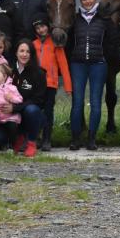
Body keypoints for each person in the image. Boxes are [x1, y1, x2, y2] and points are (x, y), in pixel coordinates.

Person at [68, 0, 119, 150]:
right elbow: (68, 42)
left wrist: (104, 56)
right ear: (80, 1)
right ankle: (76, 139)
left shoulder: (104, 19)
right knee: (77, 103)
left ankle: (91, 139)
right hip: (78, 64)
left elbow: (113, 40)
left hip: (98, 64)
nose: (88, 1)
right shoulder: (74, 19)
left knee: (96, 102)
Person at [33, 16, 73, 151]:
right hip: (36, 85)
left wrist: (68, 87)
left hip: (50, 83)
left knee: (48, 112)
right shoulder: (33, 45)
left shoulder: (56, 44)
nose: (41, 30)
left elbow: (64, 66)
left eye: (43, 26)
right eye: (38, 28)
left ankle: (47, 139)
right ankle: (35, 138)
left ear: (48, 27)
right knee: (36, 111)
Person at [11, 40, 46, 152]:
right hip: (11, 112)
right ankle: (18, 138)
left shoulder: (39, 73)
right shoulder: (8, 70)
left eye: (28, 51)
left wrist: (16, 108)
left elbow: (39, 100)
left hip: (29, 112)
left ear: (32, 54)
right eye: (21, 51)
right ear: (16, 53)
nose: (24, 54)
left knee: (31, 110)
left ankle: (31, 142)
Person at [0, 63, 26, 154]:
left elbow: (20, 100)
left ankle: (12, 146)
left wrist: (11, 98)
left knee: (12, 127)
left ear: (4, 76)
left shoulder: (11, 88)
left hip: (10, 117)